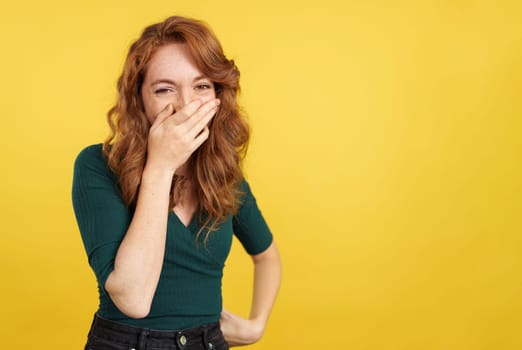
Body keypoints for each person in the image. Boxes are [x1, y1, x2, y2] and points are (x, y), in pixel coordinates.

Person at [72, 16, 281, 350]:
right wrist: (161, 165)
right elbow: (134, 299)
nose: (186, 104)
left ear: (217, 94)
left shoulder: (224, 175)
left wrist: (256, 326)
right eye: (165, 89)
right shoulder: (98, 166)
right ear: (139, 98)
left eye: (201, 86)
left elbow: (267, 256)